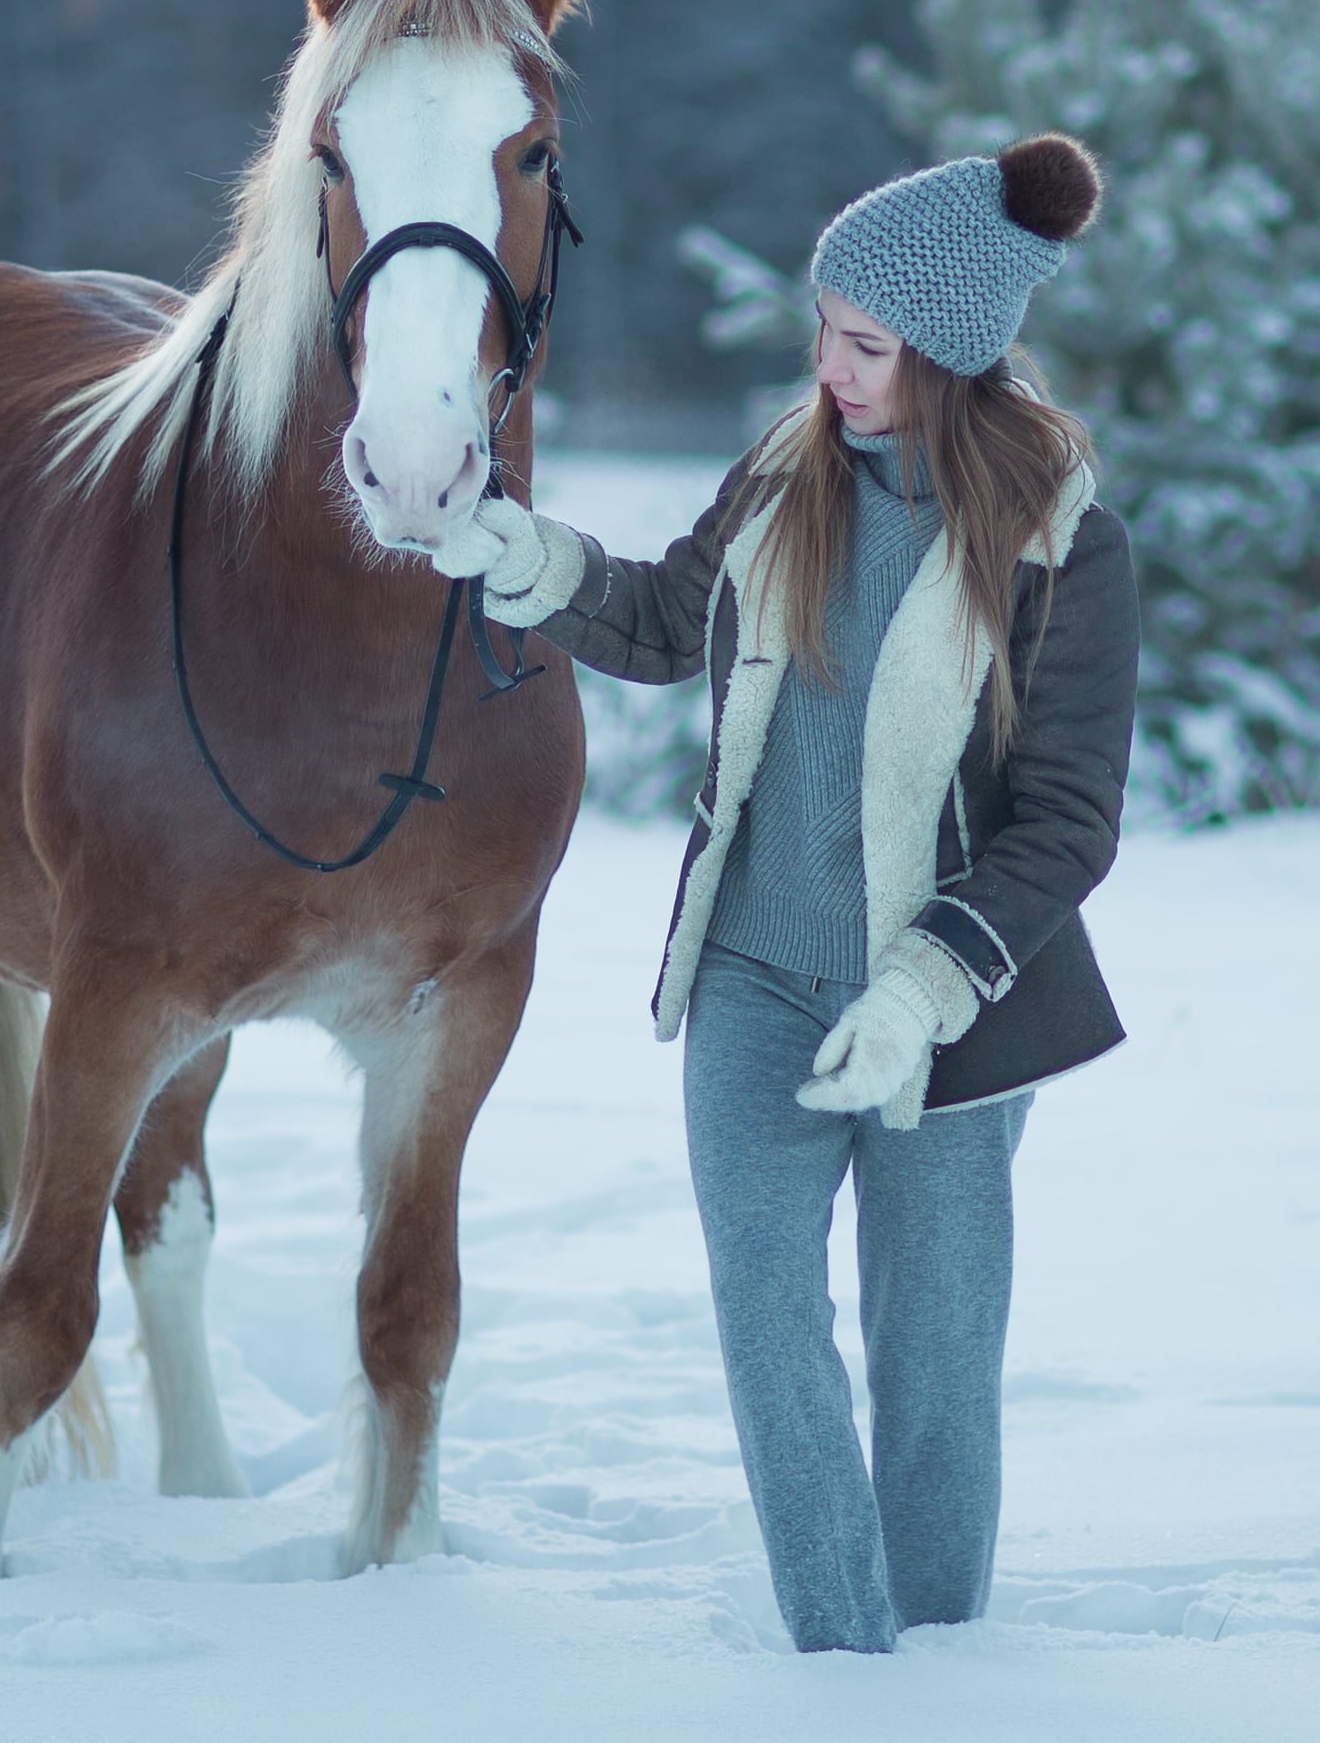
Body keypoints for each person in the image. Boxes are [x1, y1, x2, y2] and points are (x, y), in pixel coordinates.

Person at [424, 132, 1139, 1654]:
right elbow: (669, 619)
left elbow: (1070, 826)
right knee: (767, 1321)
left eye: (866, 343)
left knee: (934, 1356)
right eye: (823, 326)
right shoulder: (783, 472)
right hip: (754, 976)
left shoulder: (1060, 543)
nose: (830, 366)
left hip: (947, 1018)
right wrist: (534, 562)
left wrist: (920, 991)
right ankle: (838, 1652)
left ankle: (939, 1663)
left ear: (947, 353)